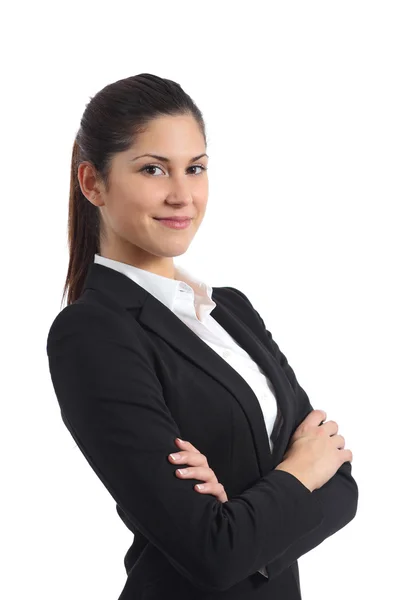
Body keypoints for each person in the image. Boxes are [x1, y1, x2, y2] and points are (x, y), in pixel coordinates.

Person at [46, 72, 358, 599]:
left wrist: (240, 516)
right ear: (93, 183)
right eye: (153, 170)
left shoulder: (230, 310)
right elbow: (213, 553)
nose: (182, 195)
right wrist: (297, 472)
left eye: (196, 168)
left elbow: (343, 485)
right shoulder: (92, 334)